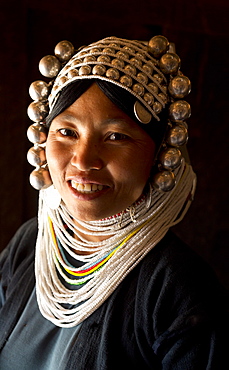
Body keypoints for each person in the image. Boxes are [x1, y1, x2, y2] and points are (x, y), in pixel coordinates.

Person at [0, 35, 227, 369]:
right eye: (67, 132)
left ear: (161, 154)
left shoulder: (178, 290)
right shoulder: (30, 243)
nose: (84, 159)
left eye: (116, 137)